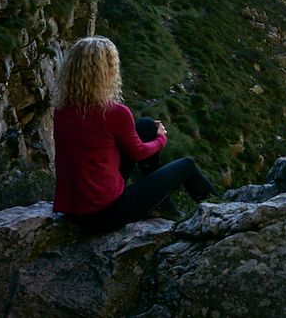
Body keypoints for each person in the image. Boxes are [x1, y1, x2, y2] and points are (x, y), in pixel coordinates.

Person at [52, 36, 217, 233]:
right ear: (107, 72)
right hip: (104, 214)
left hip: (73, 211)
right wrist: (161, 139)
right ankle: (222, 212)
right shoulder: (114, 113)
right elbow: (139, 152)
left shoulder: (62, 111)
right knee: (186, 166)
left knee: (146, 126)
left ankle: (162, 204)